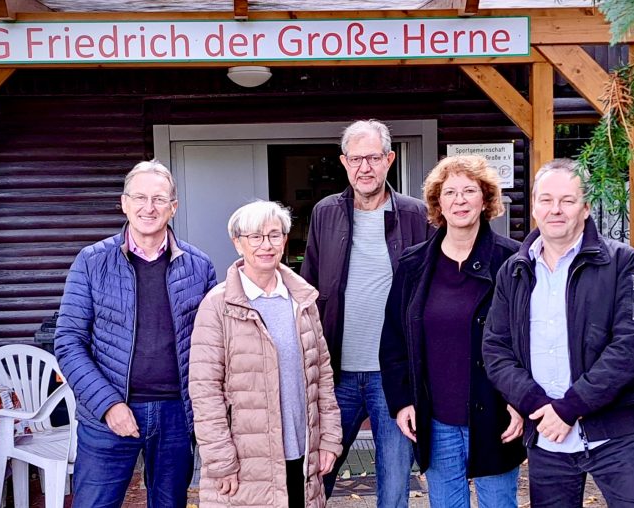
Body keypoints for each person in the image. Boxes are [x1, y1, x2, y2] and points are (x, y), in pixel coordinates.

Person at [482, 158, 634, 507]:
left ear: (586, 207)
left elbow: (629, 348)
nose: (555, 209)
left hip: (614, 436)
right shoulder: (514, 271)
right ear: (534, 206)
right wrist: (536, 404)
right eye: (546, 200)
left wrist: (570, 408)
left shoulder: (621, 262)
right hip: (548, 439)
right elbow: (495, 350)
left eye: (567, 200)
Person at [55, 159, 217, 508]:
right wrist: (108, 404)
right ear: (124, 203)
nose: (149, 207)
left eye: (159, 199)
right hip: (108, 415)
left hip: (177, 415)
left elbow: (213, 345)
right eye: (139, 197)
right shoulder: (91, 261)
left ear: (173, 207)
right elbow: (68, 341)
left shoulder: (199, 266)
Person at [379, 155, 526, 507]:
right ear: (438, 203)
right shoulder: (414, 265)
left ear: (486, 199)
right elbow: (394, 340)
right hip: (437, 418)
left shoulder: (514, 261)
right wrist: (402, 403)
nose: (460, 200)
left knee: (498, 503)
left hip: (496, 415)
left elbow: (529, 341)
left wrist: (523, 402)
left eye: (469, 191)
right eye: (450, 193)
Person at [300, 119, 431, 506]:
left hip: (392, 377)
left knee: (393, 488)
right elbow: (307, 288)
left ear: (389, 159)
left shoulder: (416, 215)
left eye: (373, 157)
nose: (365, 167)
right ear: (344, 162)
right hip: (336, 375)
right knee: (315, 480)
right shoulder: (326, 213)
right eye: (356, 159)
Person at [189, 200, 342, 507]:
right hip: (247, 464)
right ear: (237, 242)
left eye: (274, 235)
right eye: (255, 237)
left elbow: (322, 377)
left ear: (285, 240)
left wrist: (329, 439)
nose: (266, 245)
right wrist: (220, 460)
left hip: (302, 455)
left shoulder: (302, 300)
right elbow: (205, 391)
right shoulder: (218, 305)